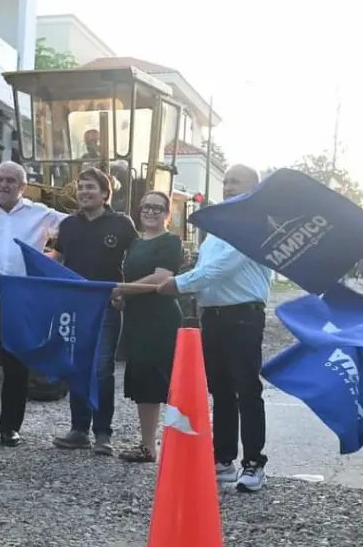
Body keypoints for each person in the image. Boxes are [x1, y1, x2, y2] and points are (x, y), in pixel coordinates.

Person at [157, 164, 272, 493]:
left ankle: (254, 464)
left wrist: (178, 284)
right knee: (220, 390)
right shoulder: (217, 229)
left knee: (247, 388)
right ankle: (223, 460)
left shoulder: (254, 227)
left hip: (243, 316)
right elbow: (205, 269)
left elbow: (219, 270)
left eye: (237, 181)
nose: (229, 186)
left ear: (254, 189)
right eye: (227, 181)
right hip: (215, 316)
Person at [0, 161, 68, 447]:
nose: (3, 185)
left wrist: (51, 262)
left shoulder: (40, 214)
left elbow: (76, 227)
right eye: (0, 179)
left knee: (17, 365)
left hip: (20, 300)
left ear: (23, 187)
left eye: (11, 181)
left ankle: (10, 428)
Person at [51, 168, 138, 455]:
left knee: (101, 369)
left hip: (106, 306)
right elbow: (57, 260)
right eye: (81, 187)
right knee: (77, 367)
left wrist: (126, 292)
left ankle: (103, 433)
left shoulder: (122, 224)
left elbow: (136, 261)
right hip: (75, 308)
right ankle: (78, 430)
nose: (84, 192)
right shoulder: (68, 225)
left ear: (104, 193)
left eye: (91, 187)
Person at [111, 191, 184, 463]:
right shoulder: (135, 243)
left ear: (167, 214)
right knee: (145, 385)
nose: (151, 211)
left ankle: (182, 444)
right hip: (137, 320)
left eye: (158, 207)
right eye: (146, 206)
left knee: (165, 382)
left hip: (161, 321)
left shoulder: (171, 241)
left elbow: (161, 279)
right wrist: (123, 298)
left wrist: (122, 291)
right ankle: (147, 446)